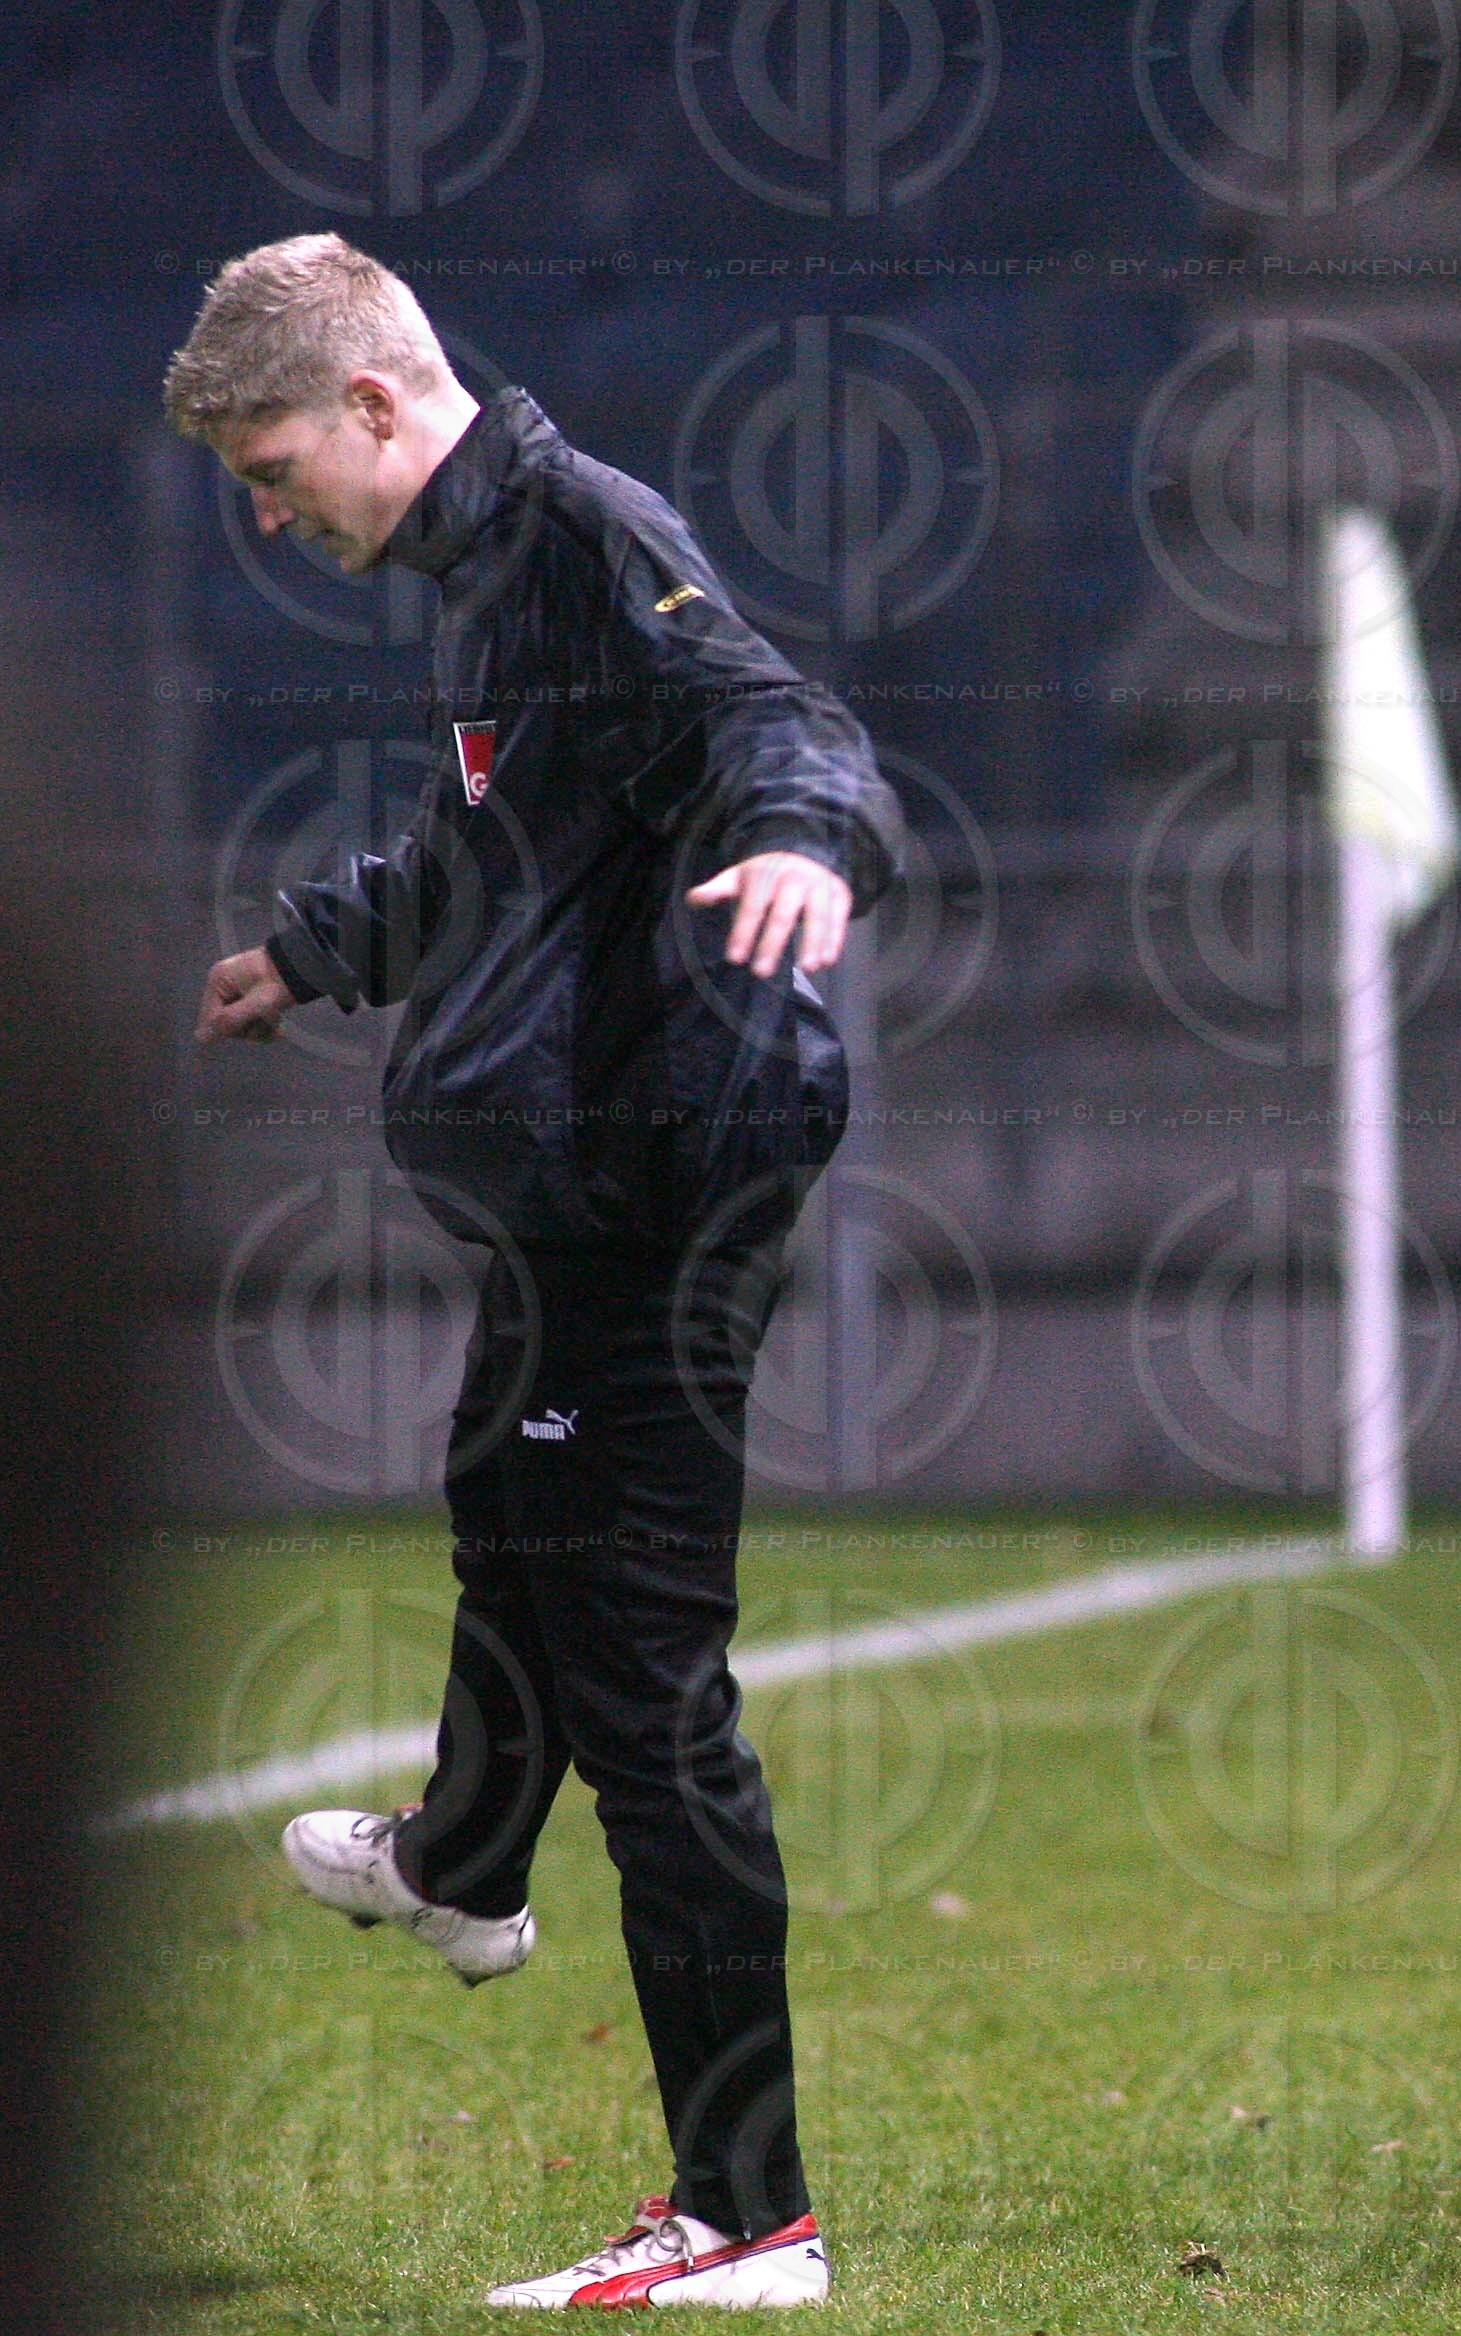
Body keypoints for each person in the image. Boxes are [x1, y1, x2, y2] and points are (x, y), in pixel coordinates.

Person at [174, 234, 896, 2310]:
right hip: (573, 1176)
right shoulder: (486, 583)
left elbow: (785, 717)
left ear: (382, 406)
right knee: (509, 1517)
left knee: (645, 1683)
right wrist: (315, 948)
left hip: (668, 1168)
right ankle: (465, 1863)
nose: (267, 506)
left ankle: (748, 2214)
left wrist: (806, 845)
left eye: (274, 458)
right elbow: (502, 861)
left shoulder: (584, 538)